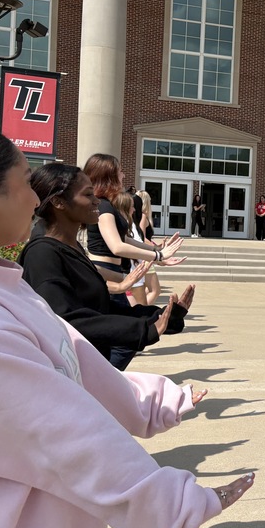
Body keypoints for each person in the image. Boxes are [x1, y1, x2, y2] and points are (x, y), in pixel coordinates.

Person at [0, 123, 254, 528]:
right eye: (26, 181)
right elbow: (68, 437)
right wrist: (175, 503)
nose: (36, 197)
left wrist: (153, 402)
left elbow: (68, 353)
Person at [20, 163, 197, 368]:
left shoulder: (71, 247)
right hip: (69, 374)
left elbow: (99, 308)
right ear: (59, 202)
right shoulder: (43, 254)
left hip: (88, 366)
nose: (97, 201)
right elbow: (66, 320)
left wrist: (165, 316)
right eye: (88, 195)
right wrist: (142, 330)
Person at [84, 153, 184, 369]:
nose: (123, 175)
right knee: (124, 338)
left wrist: (157, 253)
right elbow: (117, 246)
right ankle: (103, 382)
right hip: (104, 272)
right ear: (108, 176)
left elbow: (126, 239)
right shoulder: (102, 206)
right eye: (119, 171)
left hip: (112, 271)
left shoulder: (107, 205)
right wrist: (157, 255)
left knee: (120, 337)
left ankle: (102, 382)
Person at [136, 188, 162, 305]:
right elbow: (141, 238)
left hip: (143, 256)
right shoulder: (143, 217)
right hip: (145, 258)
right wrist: (155, 248)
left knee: (145, 290)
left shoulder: (139, 217)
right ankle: (142, 312)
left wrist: (156, 245)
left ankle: (140, 310)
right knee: (155, 290)